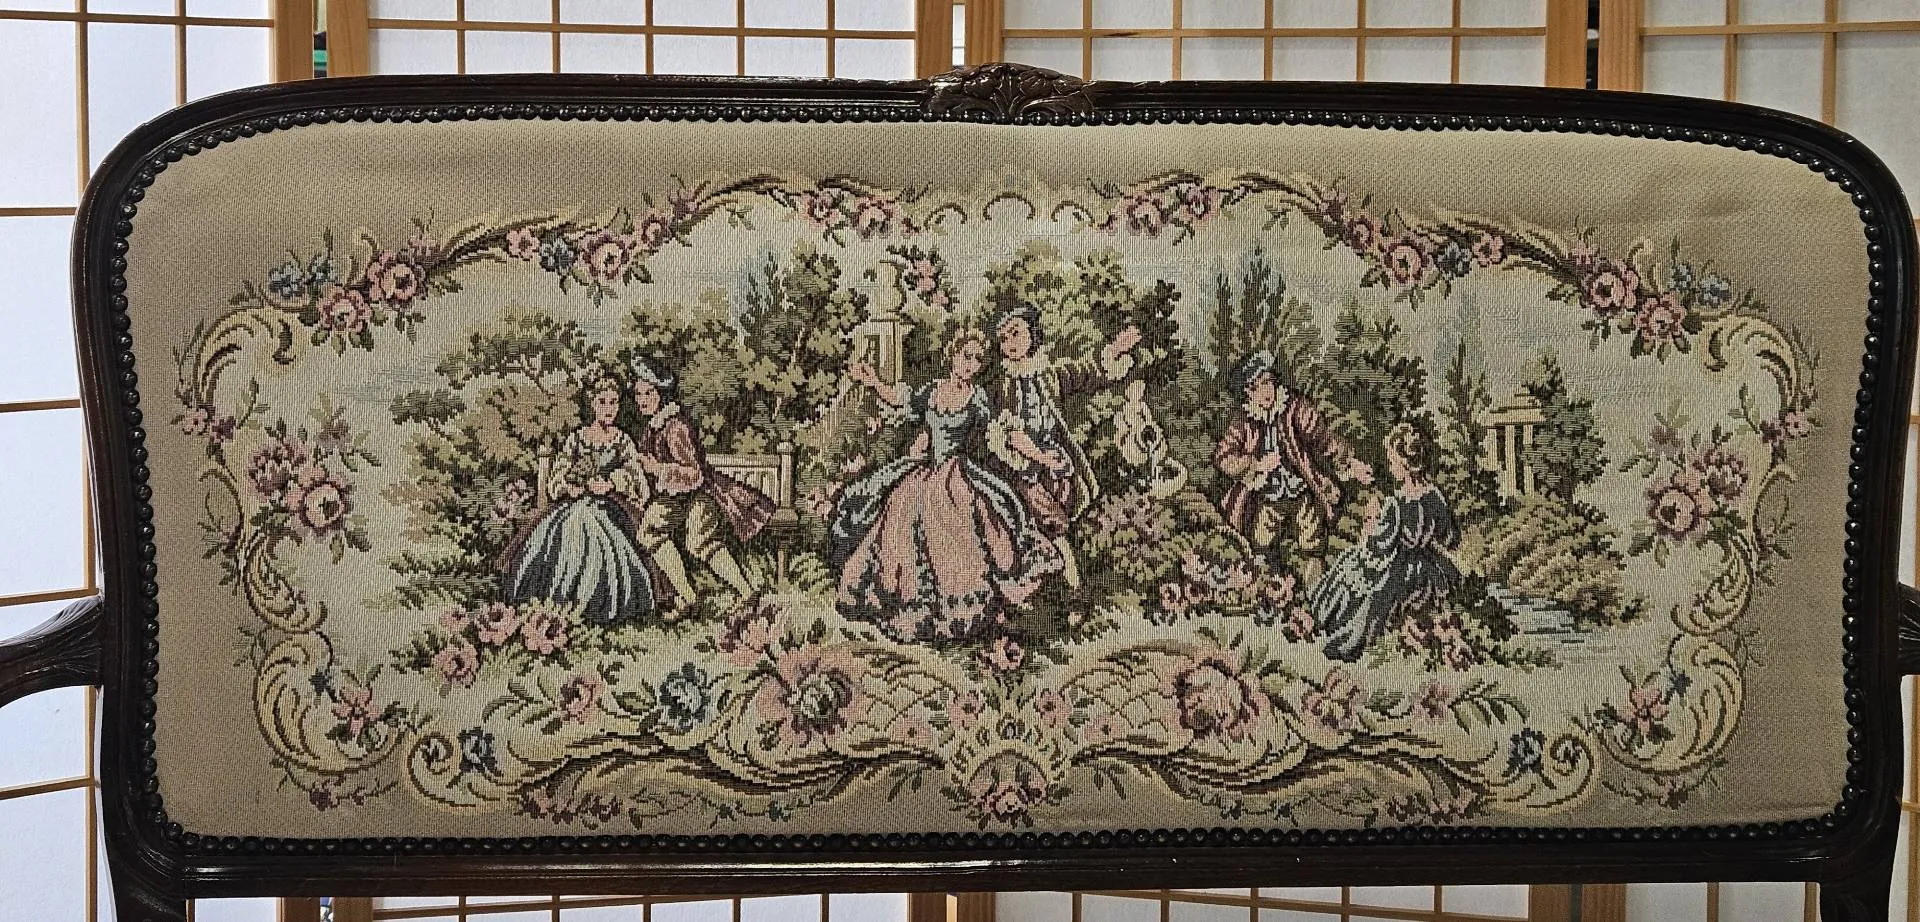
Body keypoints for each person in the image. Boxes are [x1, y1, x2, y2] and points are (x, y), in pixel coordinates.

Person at [830, 329, 1063, 643]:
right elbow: (901, 400)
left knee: (964, 524)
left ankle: (966, 606)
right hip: (926, 472)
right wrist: (873, 382)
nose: (970, 364)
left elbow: (1004, 432)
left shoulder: (977, 397)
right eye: (966, 356)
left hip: (957, 475)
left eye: (977, 360)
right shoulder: (932, 392)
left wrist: (1040, 456)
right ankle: (909, 602)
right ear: (952, 355)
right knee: (900, 521)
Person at [985, 304, 1140, 587]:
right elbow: (1009, 435)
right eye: (1004, 338)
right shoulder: (1002, 387)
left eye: (1016, 333)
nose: (1010, 343)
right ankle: (1063, 574)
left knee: (1065, 508)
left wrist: (1116, 349)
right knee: (1043, 520)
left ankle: (1056, 575)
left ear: (1032, 333)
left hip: (1055, 463)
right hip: (1021, 467)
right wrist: (1041, 457)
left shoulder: (1047, 375)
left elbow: (1085, 372)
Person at [501, 374, 656, 624]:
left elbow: (637, 478)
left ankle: (591, 604)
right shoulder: (577, 439)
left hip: (611, 505)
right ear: (593, 404)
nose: (609, 409)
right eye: (603, 402)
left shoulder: (622, 441)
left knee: (589, 520)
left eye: (614, 402)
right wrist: (569, 486)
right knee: (571, 521)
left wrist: (611, 483)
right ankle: (559, 600)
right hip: (575, 503)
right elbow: (558, 475)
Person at [628, 358, 774, 610]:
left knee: (699, 542)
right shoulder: (652, 428)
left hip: (700, 493)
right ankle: (688, 596)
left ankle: (747, 592)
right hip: (673, 497)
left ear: (661, 394)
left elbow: (694, 474)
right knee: (648, 532)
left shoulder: (675, 427)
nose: (642, 400)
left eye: (648, 393)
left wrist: (659, 469)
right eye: (638, 394)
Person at [1312, 422, 1463, 662]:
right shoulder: (1436, 497)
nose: (1391, 468)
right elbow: (1451, 538)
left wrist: (1367, 533)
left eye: (1392, 462)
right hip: (1431, 570)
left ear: (1404, 464)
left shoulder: (1397, 503)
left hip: (1401, 572)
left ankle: (1325, 621)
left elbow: (1379, 547)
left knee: (1349, 566)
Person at [1213, 350, 1370, 576]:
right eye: (1257, 387)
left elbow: (1323, 437)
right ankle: (1269, 582)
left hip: (1300, 491)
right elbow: (1223, 457)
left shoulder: (1294, 407)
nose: (1266, 391)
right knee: (1260, 543)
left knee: (1312, 541)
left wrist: (1350, 462)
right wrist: (1256, 465)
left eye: (1268, 382)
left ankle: (1315, 582)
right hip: (1267, 496)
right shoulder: (1244, 421)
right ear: (1248, 393)